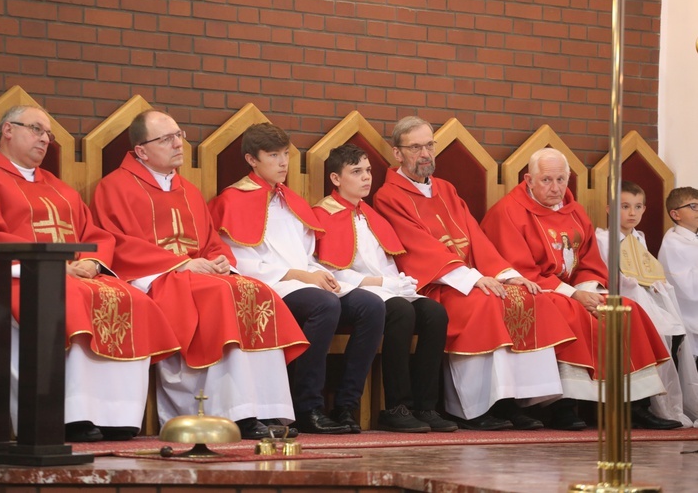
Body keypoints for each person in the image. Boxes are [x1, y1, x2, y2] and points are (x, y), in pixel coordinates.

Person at [0, 105, 181, 442]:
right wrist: (56, 266)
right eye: (36, 130)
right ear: (8, 131)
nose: (45, 139)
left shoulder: (60, 188)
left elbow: (97, 236)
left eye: (48, 134)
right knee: (66, 298)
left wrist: (92, 263)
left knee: (132, 299)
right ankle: (67, 415)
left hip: (71, 276)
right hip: (10, 280)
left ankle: (117, 416)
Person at [90, 110, 309, 440]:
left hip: (199, 275)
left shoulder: (189, 191)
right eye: (166, 139)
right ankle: (230, 413)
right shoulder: (115, 187)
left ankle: (266, 410)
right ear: (141, 150)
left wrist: (221, 262)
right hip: (154, 277)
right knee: (222, 294)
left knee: (255, 290)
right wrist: (180, 264)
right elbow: (119, 243)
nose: (178, 144)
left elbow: (210, 243)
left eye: (179, 135)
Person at [373, 116, 577, 431]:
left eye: (429, 145)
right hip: (435, 284)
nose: (425, 153)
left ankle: (514, 402)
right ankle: (472, 409)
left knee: (522, 297)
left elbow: (476, 238)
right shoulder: (389, 196)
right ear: (397, 153)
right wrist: (471, 279)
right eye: (415, 147)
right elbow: (418, 248)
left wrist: (507, 275)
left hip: (472, 278)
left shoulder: (446, 189)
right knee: (485, 303)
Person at [481, 147, 682, 430]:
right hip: (535, 291)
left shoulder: (573, 211)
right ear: (528, 179)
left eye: (561, 180)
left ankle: (634, 405)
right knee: (569, 312)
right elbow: (519, 270)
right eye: (547, 180)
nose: (556, 188)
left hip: (575, 288)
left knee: (626, 309)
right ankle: (564, 407)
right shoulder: (508, 213)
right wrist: (574, 294)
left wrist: (587, 290)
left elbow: (589, 260)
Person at [209, 123, 385, 434]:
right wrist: (298, 274)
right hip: (271, 285)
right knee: (325, 306)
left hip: (305, 280)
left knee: (370, 306)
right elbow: (242, 261)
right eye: (273, 155)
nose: (283, 163)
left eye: (286, 154)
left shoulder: (291, 199)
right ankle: (307, 406)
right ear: (252, 159)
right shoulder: (233, 199)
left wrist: (318, 273)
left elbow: (307, 252)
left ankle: (345, 406)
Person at [313, 143, 454, 433]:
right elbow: (328, 269)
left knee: (434, 312)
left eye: (367, 171)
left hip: (386, 288)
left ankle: (426, 405)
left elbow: (387, 260)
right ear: (336, 179)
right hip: (349, 292)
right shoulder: (321, 214)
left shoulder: (372, 214)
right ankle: (396, 407)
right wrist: (379, 283)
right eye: (356, 172)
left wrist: (399, 283)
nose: (366, 177)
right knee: (401, 311)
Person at [595, 181, 698, 425]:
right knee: (653, 329)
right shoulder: (603, 239)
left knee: (675, 330)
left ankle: (656, 401)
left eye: (638, 206)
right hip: (617, 299)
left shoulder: (639, 238)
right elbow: (603, 273)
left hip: (645, 298)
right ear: (609, 209)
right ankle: (638, 406)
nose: (632, 213)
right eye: (625, 206)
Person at [659, 187, 698, 373]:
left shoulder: (693, 239)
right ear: (676, 214)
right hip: (686, 315)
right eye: (693, 206)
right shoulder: (673, 242)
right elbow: (685, 286)